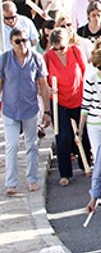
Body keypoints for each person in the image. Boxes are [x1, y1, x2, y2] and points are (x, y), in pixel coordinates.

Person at [1, 27, 52, 194]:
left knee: (32, 145)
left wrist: (47, 111)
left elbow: (43, 85)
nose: (22, 44)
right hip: (10, 108)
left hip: (30, 108)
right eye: (18, 41)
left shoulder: (36, 58)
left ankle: (32, 180)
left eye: (24, 40)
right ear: (11, 43)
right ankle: (11, 183)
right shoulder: (5, 59)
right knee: (12, 146)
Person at [44, 27, 87, 186]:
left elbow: (85, 72)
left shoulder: (76, 51)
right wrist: (48, 89)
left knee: (83, 134)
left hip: (78, 97)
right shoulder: (47, 57)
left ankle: (85, 164)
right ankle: (65, 173)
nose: (60, 51)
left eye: (62, 47)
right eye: (56, 48)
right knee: (63, 137)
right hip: (59, 100)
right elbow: (42, 81)